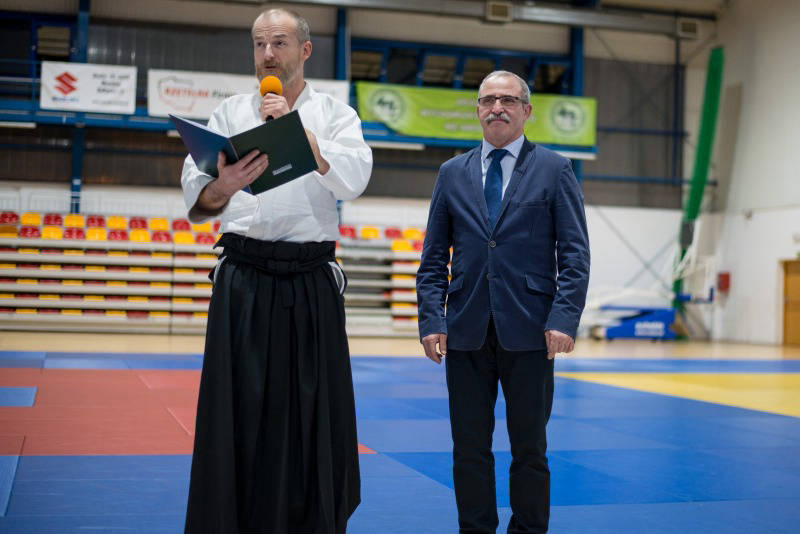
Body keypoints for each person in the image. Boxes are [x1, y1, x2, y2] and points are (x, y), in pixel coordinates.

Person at [180, 8, 372, 534]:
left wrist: (308, 142)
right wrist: (223, 185)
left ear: (304, 51)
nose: (268, 54)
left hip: (310, 278)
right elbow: (198, 200)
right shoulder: (227, 114)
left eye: (279, 43)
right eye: (260, 44)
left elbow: (355, 179)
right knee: (236, 410)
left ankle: (312, 521)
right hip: (242, 275)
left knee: (314, 412)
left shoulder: (336, 115)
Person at [416, 70, 590, 533]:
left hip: (532, 332)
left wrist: (564, 318)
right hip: (466, 330)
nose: (497, 107)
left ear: (526, 110)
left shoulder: (555, 169)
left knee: (530, 448)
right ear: (477, 109)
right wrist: (432, 318)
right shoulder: (451, 173)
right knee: (468, 448)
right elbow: (433, 256)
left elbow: (574, 253)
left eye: (508, 100)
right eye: (488, 100)